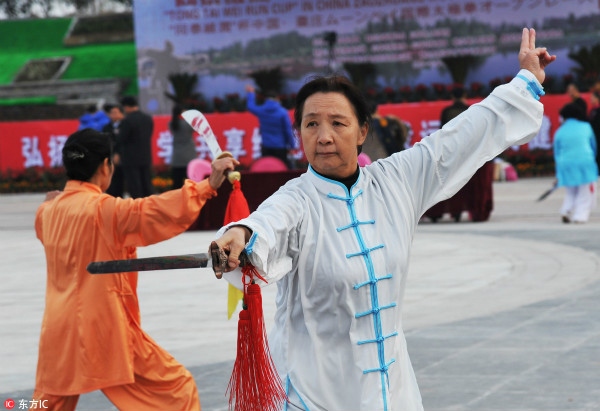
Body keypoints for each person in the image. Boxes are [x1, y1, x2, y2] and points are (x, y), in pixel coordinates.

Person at [212, 29, 555, 410]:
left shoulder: (398, 181)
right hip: (313, 391)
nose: (324, 136)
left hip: (392, 388)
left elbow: (462, 135)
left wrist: (526, 79)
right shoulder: (297, 198)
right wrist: (242, 233)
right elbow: (268, 221)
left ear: (362, 132)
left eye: (338, 124)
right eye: (311, 125)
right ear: (298, 134)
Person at [32, 128, 238, 411]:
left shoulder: (47, 212)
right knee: (177, 391)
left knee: (43, 405)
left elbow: (47, 221)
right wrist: (208, 184)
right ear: (106, 166)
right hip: (104, 330)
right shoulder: (105, 211)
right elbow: (155, 211)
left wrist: (50, 203)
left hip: (58, 331)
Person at [553, 103, 598, 223]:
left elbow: (557, 152)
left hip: (565, 163)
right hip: (585, 162)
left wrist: (558, 172)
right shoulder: (586, 126)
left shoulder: (560, 131)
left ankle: (565, 210)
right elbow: (593, 145)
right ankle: (580, 215)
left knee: (570, 191)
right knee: (585, 191)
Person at [245, 84, 295, 167]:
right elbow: (288, 131)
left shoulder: (261, 110)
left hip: (266, 146)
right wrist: (292, 146)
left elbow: (250, 107)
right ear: (277, 98)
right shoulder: (282, 112)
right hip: (280, 147)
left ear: (265, 99)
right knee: (281, 170)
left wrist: (251, 93)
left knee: (267, 169)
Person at [119, 95, 154, 198]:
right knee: (147, 183)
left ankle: (138, 209)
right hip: (145, 156)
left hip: (130, 158)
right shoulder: (148, 118)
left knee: (135, 186)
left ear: (126, 107)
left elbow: (121, 139)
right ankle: (151, 207)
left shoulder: (127, 120)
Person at [169, 104, 197, 189]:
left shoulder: (172, 123)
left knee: (177, 184)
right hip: (189, 156)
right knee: (191, 183)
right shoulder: (188, 124)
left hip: (177, 157)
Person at [103, 104, 126, 197]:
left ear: (122, 114)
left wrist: (119, 153)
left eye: (115, 113)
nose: (113, 115)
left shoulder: (126, 125)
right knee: (112, 180)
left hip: (124, 157)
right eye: (111, 113)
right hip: (111, 158)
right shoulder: (106, 127)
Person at [588, 91, 600, 167]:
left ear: (597, 98)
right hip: (593, 136)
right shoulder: (592, 110)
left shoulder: (598, 110)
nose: (590, 99)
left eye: (592, 98)